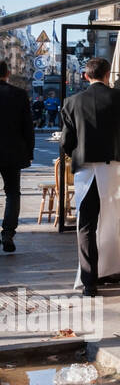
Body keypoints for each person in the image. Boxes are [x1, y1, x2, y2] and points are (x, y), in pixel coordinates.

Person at [60, 58, 120, 295]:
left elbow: (66, 141)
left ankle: (89, 280)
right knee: (111, 218)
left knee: (86, 224)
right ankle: (109, 269)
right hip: (111, 164)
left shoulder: (71, 102)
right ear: (107, 74)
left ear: (85, 76)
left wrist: (80, 153)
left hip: (85, 168)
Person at [0, 62, 35, 254]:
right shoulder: (19, 94)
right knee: (13, 193)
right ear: (7, 73)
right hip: (12, 153)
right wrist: (29, 152)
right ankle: (8, 233)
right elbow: (27, 127)